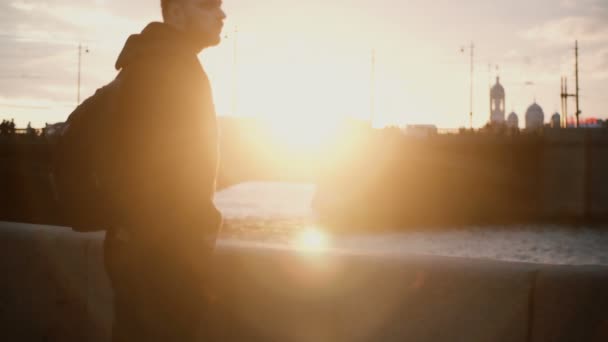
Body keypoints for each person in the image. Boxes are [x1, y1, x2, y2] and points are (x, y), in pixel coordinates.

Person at [102, 0, 225, 341]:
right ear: (174, 13)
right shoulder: (169, 68)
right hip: (162, 256)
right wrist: (194, 237)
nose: (221, 14)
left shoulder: (150, 61)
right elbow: (166, 167)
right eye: (207, 5)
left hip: (141, 247)